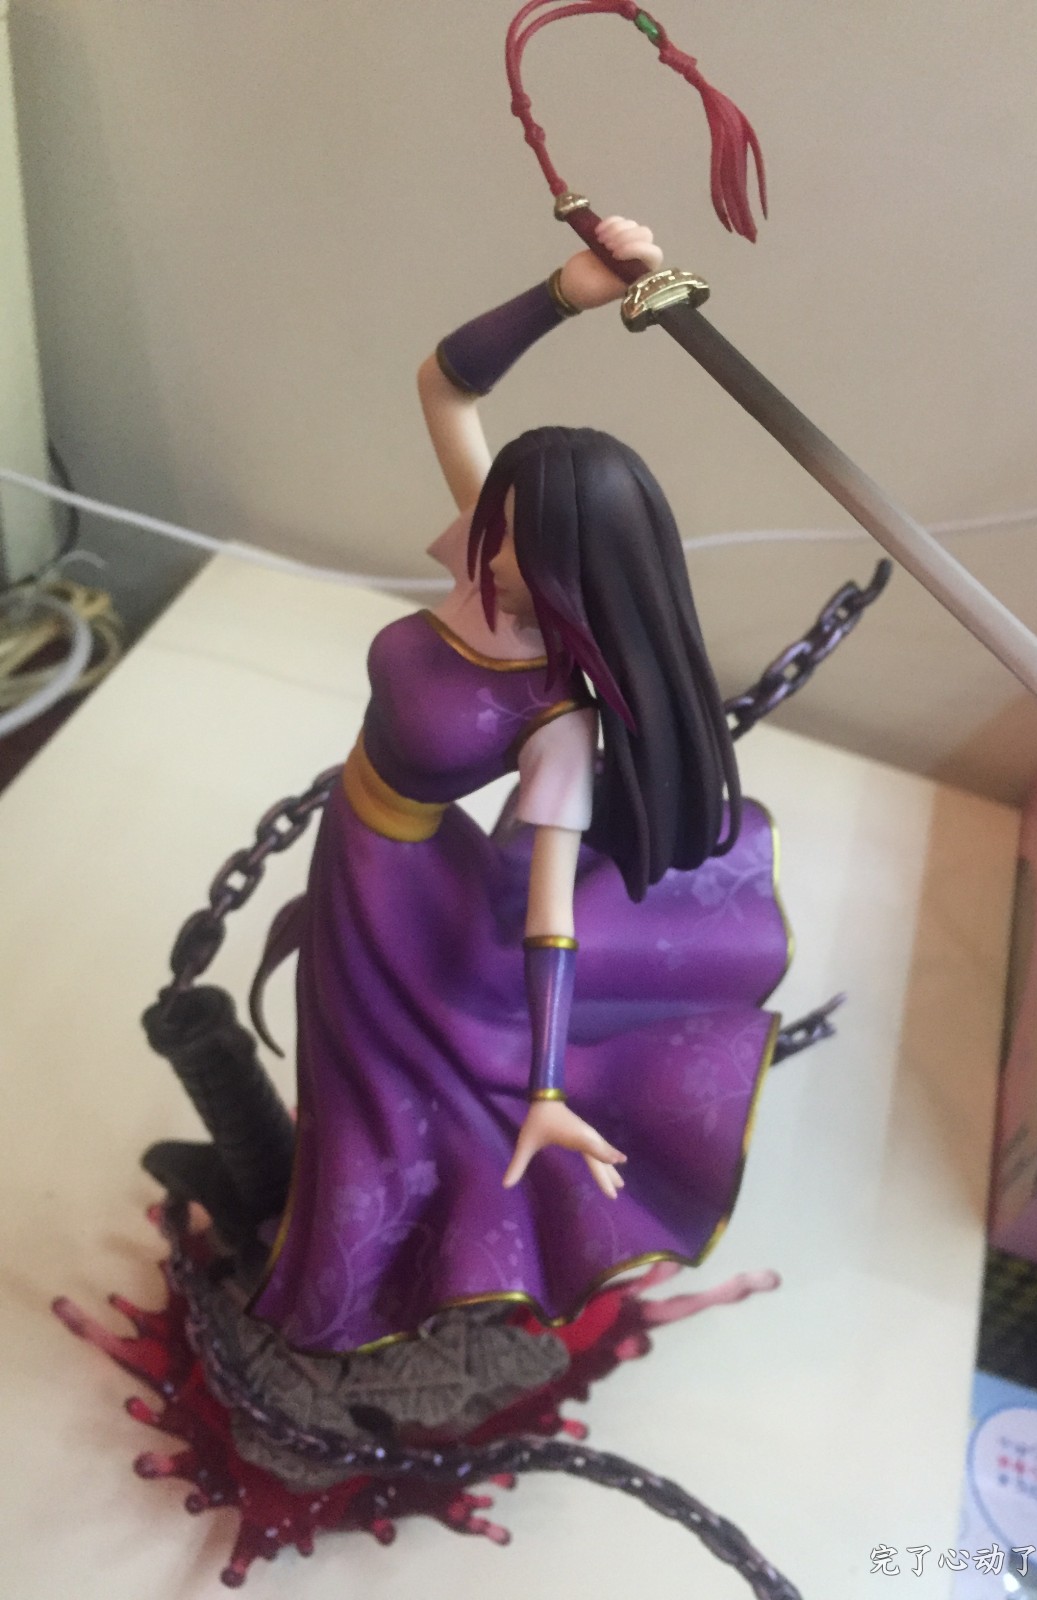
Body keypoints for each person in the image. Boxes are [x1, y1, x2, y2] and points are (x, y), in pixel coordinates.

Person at [249, 219, 791, 1353]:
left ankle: (344, 1289)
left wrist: (546, 1089)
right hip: (356, 845)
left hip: (406, 899)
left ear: (571, 566)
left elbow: (552, 916)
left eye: (512, 547)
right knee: (341, 1065)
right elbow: (441, 386)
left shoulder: (557, 711)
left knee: (376, 1095)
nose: (483, 553)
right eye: (492, 526)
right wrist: (563, 293)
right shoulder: (488, 547)